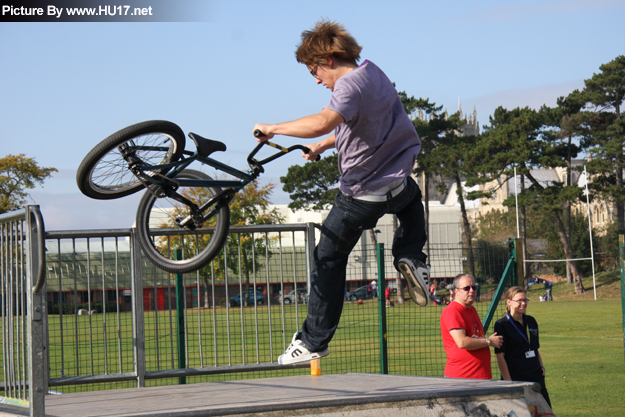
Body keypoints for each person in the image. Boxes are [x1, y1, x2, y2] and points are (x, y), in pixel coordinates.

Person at [254, 20, 430, 365]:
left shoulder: (347, 87)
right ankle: (411, 257)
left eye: (314, 71)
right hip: (398, 183)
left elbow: (324, 120)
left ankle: (313, 341)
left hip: (360, 198)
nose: (317, 80)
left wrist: (273, 128)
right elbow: (355, 124)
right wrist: (321, 145)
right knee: (412, 202)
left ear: (329, 59)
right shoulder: (373, 73)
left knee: (328, 260)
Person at [494, 286, 552, 408]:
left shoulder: (531, 321)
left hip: (536, 376)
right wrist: (509, 383)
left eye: (525, 300)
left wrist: (541, 367)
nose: (523, 303)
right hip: (516, 378)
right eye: (519, 300)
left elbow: (535, 348)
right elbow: (500, 356)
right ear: (509, 302)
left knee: (545, 411)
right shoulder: (501, 325)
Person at [440, 274, 503, 379]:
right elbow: (462, 342)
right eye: (466, 288)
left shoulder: (471, 309)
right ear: (456, 291)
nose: (472, 291)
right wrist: (488, 341)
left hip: (479, 376)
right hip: (462, 378)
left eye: (474, 287)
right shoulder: (453, 310)